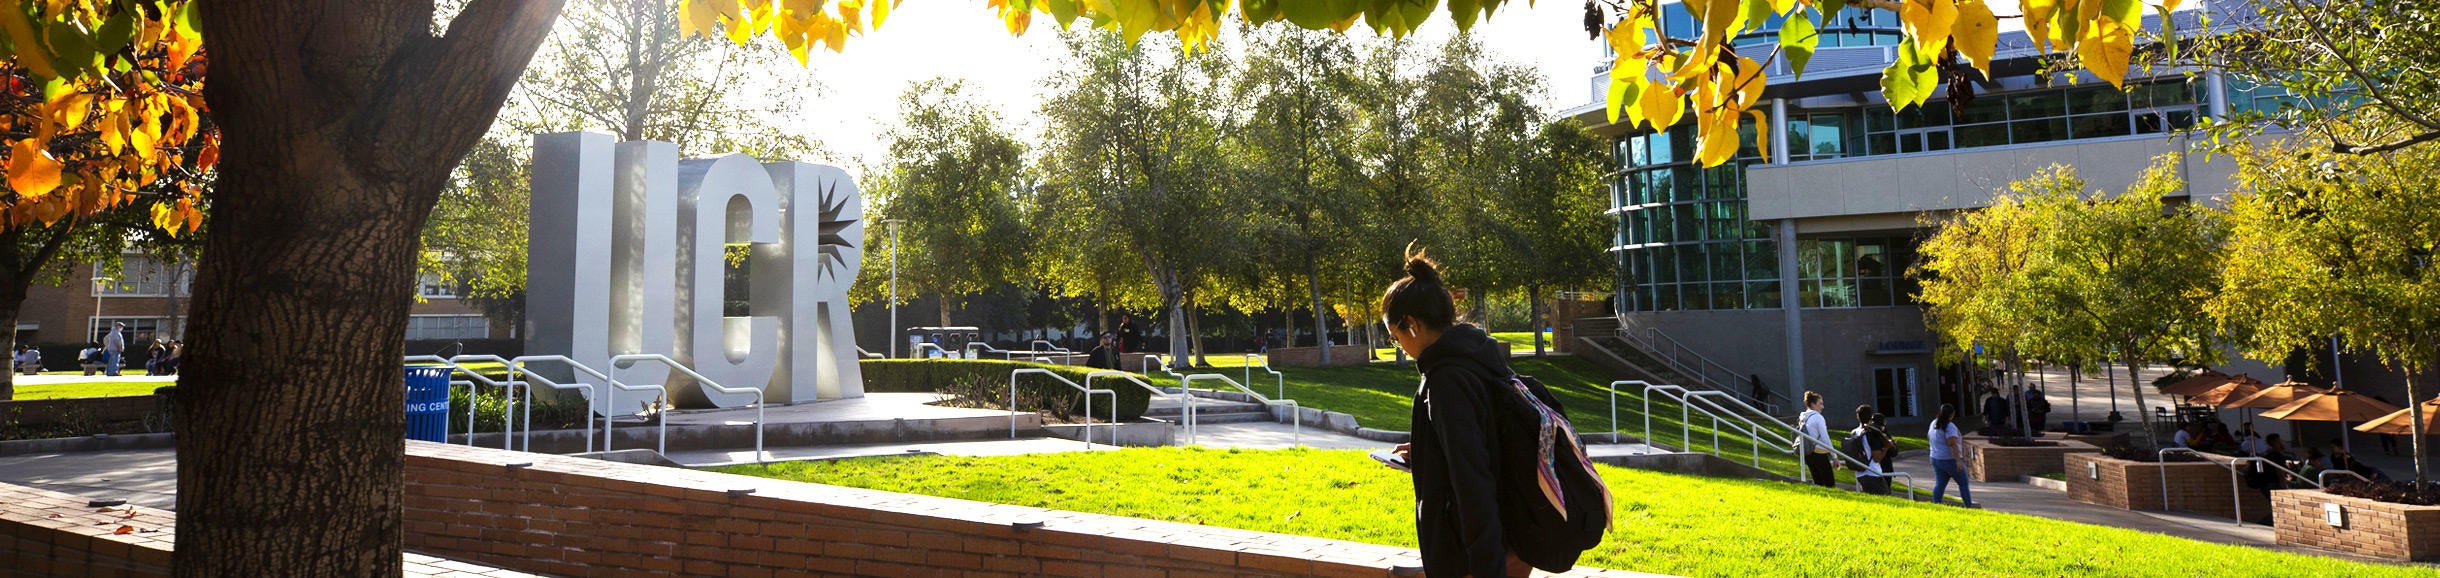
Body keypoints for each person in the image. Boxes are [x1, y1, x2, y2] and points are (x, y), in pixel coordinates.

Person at [1379, 249, 1585, 578]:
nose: (1399, 344)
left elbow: (1472, 481)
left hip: (1477, 557)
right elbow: (1489, 444)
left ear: (1413, 325)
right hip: (1511, 541)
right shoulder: (1480, 361)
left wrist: (1487, 569)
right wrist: (1428, 455)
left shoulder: (1446, 381)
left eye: (1395, 336)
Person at [1928, 403, 1976, 507]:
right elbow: (1952, 444)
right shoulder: (1950, 427)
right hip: (1949, 460)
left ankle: (1936, 505)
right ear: (1952, 414)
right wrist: (1958, 461)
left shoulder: (1933, 423)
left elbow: (1930, 438)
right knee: (1963, 484)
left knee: (1940, 484)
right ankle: (1969, 507)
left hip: (1936, 458)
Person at [1847, 405, 1891, 496]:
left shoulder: (1854, 432)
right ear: (1871, 417)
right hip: (1873, 472)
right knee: (1885, 501)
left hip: (1859, 473)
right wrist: (1887, 447)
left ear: (1857, 417)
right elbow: (1877, 458)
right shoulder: (1872, 432)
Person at [1796, 391, 1834, 488]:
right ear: (1813, 404)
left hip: (1808, 453)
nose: (1823, 407)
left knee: (1818, 482)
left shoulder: (1802, 417)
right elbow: (1825, 438)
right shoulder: (1818, 417)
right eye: (1820, 404)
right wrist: (1834, 456)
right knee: (1829, 483)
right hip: (1819, 452)